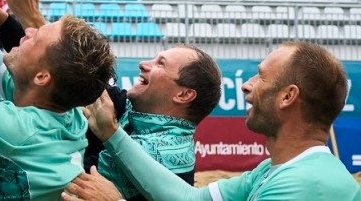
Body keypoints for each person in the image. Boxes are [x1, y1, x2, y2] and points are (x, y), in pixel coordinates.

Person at [65, 42, 361, 201]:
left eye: (260, 76)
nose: (246, 86)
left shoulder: (303, 185)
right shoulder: (273, 170)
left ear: (287, 97)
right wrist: (114, 136)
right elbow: (187, 198)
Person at [0, 0, 116, 201]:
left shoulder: (15, 131)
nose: (29, 30)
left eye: (37, 36)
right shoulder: (69, 115)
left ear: (42, 77)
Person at [85, 46, 222, 201]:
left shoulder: (163, 154)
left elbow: (68, 176)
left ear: (183, 94)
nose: (143, 64)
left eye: (160, 64)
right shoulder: (140, 112)